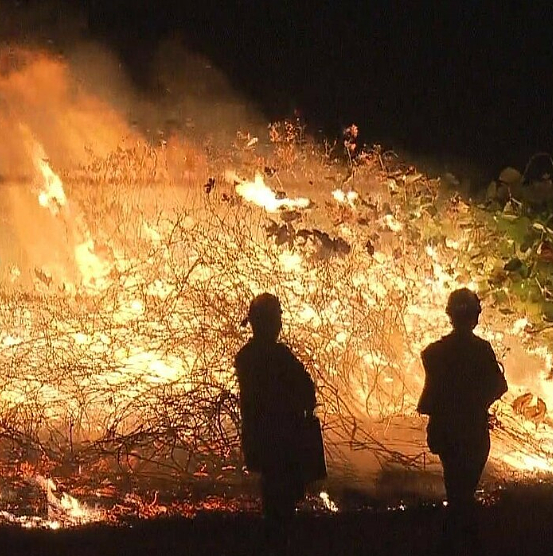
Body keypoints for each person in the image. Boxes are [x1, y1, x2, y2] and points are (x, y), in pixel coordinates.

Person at [417, 288, 508, 552]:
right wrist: (478, 403)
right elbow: (498, 385)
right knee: (462, 491)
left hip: (447, 432)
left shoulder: (434, 353)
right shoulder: (481, 350)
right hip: (472, 432)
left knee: (456, 487)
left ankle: (454, 539)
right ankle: (461, 540)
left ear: (451, 316)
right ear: (475, 316)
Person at [235, 293, 317, 553]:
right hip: (283, 440)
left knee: (272, 498)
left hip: (260, 438)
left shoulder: (245, 357)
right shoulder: (278, 357)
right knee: (282, 505)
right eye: (276, 319)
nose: (280, 325)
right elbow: (306, 390)